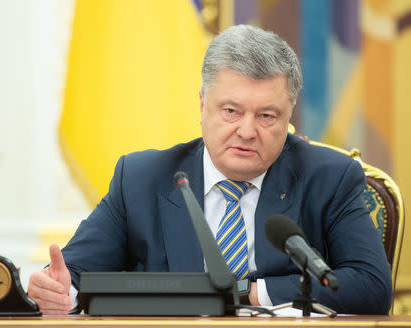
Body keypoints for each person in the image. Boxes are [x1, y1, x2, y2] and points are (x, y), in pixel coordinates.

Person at [27, 25, 392, 315]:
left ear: (288, 116)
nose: (247, 131)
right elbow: (71, 276)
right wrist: (59, 293)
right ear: (202, 105)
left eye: (267, 116)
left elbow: (371, 287)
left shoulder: (329, 178)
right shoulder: (141, 179)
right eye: (231, 111)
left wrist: (249, 293)